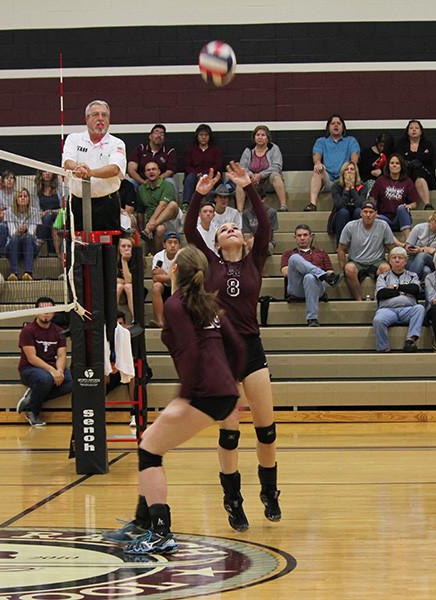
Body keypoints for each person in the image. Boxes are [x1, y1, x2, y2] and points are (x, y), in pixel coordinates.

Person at [106, 246, 245, 555]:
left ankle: (160, 533)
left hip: (203, 393)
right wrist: (231, 386)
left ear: (174, 270)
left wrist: (185, 396)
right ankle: (143, 522)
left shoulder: (174, 304)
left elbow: (193, 354)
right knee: (149, 444)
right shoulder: (210, 306)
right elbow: (238, 347)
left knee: (149, 451)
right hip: (221, 392)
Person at [184, 163, 281, 532]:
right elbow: (191, 228)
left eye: (235, 226)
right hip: (221, 352)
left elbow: (265, 225)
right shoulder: (209, 262)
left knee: (266, 430)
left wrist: (250, 187)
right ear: (217, 241)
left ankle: (270, 492)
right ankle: (233, 500)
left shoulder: (256, 260)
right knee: (229, 433)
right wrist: (198, 192)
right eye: (225, 228)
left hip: (251, 349)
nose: (231, 229)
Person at [62, 100, 126, 231]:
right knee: (77, 247)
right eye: (96, 114)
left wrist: (89, 173)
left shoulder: (117, 143)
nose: (101, 119)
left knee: (108, 249)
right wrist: (77, 168)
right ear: (87, 119)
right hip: (77, 203)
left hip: (107, 204)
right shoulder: (74, 139)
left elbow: (114, 169)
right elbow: (68, 162)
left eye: (105, 115)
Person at [16, 296, 72, 427]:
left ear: (54, 312)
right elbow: (32, 358)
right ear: (36, 311)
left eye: (50, 310)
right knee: (45, 379)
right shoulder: (28, 330)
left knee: (73, 381)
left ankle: (31, 398)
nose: (46, 313)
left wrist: (59, 371)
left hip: (51, 368)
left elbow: (62, 355)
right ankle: (32, 411)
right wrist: (52, 371)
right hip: (29, 369)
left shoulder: (59, 331)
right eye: (43, 310)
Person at [337, 200, 398, 301]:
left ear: (376, 214)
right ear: (361, 213)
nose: (368, 215)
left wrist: (391, 263)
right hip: (356, 261)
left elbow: (391, 247)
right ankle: (359, 300)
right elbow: (341, 249)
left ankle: (380, 299)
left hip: (377, 261)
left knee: (386, 268)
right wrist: (342, 268)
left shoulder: (383, 225)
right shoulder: (350, 226)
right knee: (349, 269)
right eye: (365, 212)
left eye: (371, 212)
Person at [281, 224, 339, 326]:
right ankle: (321, 274)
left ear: (310, 237)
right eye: (299, 236)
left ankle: (312, 319)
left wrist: (310, 272)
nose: (302, 238)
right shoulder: (288, 253)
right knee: (295, 258)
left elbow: (330, 272)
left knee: (309, 278)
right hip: (297, 287)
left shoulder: (321, 253)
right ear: (295, 238)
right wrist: (311, 270)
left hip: (316, 287)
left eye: (305, 235)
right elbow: (286, 272)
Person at [373, 247, 423, 353]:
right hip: (387, 310)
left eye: (400, 258)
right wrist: (404, 290)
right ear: (390, 261)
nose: (397, 260)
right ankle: (383, 347)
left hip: (408, 310)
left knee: (419, 308)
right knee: (378, 319)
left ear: (405, 261)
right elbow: (381, 294)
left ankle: (410, 340)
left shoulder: (412, 276)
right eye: (394, 257)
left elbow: (415, 290)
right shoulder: (383, 277)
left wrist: (395, 287)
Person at [305, 115, 360, 212]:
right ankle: (312, 204)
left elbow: (354, 161)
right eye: (333, 123)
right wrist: (317, 163)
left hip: (344, 178)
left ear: (343, 127)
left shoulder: (351, 141)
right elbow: (316, 156)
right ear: (328, 127)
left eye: (339, 123)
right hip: (328, 178)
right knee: (317, 170)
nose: (336, 126)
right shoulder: (321, 141)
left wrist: (349, 171)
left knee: (351, 169)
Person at [236, 124, 288, 212]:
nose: (260, 137)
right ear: (254, 137)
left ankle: (283, 205)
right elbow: (242, 168)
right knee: (241, 181)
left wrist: (260, 175)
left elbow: (277, 166)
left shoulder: (274, 149)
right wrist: (252, 175)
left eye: (263, 135)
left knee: (275, 175)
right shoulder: (248, 150)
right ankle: (239, 211)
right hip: (252, 182)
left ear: (267, 138)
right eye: (258, 135)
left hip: (268, 182)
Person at [137, 161, 181, 252]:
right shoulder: (141, 189)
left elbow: (163, 205)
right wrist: (141, 230)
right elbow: (140, 211)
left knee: (173, 204)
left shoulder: (167, 185)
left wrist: (151, 224)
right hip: (150, 222)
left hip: (168, 218)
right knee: (160, 229)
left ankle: (150, 229)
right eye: (148, 170)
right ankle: (158, 256)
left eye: (154, 169)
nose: (151, 172)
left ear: (159, 172)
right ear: (145, 173)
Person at [368, 154, 416, 237]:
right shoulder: (381, 180)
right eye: (392, 163)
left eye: (397, 163)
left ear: (401, 166)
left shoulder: (408, 181)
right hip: (384, 218)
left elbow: (414, 203)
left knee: (401, 208)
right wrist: (373, 211)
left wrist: (408, 206)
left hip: (400, 218)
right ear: (388, 166)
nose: (394, 165)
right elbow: (372, 199)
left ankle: (409, 243)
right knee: (375, 218)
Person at [395, 119, 436, 209]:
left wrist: (414, 159)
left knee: (418, 174)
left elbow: (429, 157)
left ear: (421, 131)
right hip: (407, 170)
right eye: (411, 128)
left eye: (416, 128)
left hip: (424, 172)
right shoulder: (401, 144)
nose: (414, 130)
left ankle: (427, 204)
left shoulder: (427, 144)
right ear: (407, 131)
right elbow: (399, 157)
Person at [127, 124, 178, 191]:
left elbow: (170, 171)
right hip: (141, 181)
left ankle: (173, 202)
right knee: (130, 182)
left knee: (170, 182)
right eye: (156, 132)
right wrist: (143, 182)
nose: (159, 135)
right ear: (150, 136)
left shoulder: (169, 151)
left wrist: (155, 180)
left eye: (162, 134)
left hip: (161, 181)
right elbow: (131, 170)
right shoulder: (141, 148)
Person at [182, 124, 224, 205]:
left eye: (206, 135)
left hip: (211, 175)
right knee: (190, 177)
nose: (203, 137)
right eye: (201, 135)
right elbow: (187, 166)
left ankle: (210, 203)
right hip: (194, 176)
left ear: (209, 136)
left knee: (208, 178)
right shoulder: (190, 150)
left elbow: (218, 165)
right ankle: (186, 204)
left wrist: (205, 173)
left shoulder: (216, 150)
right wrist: (197, 174)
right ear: (197, 136)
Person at [4, 188, 41, 281]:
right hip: (13, 244)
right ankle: (14, 273)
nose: (23, 198)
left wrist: (26, 229)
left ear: (29, 199)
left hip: (30, 245)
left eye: (25, 196)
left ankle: (28, 273)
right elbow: (11, 232)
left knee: (28, 237)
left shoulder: (35, 212)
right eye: (20, 196)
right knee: (15, 237)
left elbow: (33, 232)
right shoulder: (9, 212)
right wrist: (18, 231)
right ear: (16, 199)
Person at [328, 161, 368, 243]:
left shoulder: (363, 186)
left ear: (356, 172)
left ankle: (358, 244)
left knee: (358, 211)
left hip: (355, 216)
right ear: (342, 173)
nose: (349, 171)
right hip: (340, 217)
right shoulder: (336, 186)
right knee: (343, 212)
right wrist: (346, 189)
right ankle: (340, 245)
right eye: (346, 169)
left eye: (352, 169)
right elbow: (339, 205)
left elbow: (360, 205)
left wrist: (352, 188)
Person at [405, 209, 436, 281]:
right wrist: (415, 250)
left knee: (422, 255)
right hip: (412, 259)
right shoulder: (419, 228)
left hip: (433, 261)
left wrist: (427, 250)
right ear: (432, 220)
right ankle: (419, 289)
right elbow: (407, 247)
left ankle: (410, 282)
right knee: (426, 271)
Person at [149, 231, 180, 328]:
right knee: (156, 287)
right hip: (164, 287)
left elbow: (180, 279)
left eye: (175, 242)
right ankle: (160, 322)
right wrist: (171, 276)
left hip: (178, 287)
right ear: (164, 244)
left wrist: (164, 274)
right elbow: (155, 277)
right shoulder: (159, 257)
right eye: (170, 242)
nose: (172, 245)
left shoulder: (182, 256)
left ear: (179, 245)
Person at [35, 170, 63, 255]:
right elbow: (34, 209)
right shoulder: (36, 190)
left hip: (59, 215)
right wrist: (40, 213)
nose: (47, 173)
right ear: (41, 174)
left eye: (49, 171)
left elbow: (63, 208)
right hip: (43, 218)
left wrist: (50, 211)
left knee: (49, 216)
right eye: (44, 171)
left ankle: (39, 242)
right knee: (49, 222)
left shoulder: (59, 188)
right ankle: (52, 253)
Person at [0, 170, 17, 256]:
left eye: (11, 178)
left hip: (16, 223)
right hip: (1, 224)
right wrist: (13, 211)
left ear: (14, 181)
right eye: (7, 178)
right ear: (2, 182)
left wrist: (4, 211)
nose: (9, 180)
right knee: (2, 227)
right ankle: (1, 254)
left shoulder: (18, 195)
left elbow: (22, 213)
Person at [116, 236, 137, 322]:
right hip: (119, 290)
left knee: (128, 286)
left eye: (129, 246)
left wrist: (124, 261)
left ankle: (135, 318)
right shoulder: (112, 258)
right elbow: (111, 279)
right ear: (119, 248)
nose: (126, 249)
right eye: (123, 246)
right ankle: (113, 317)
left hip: (134, 290)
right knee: (119, 287)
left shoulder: (137, 259)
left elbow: (129, 281)